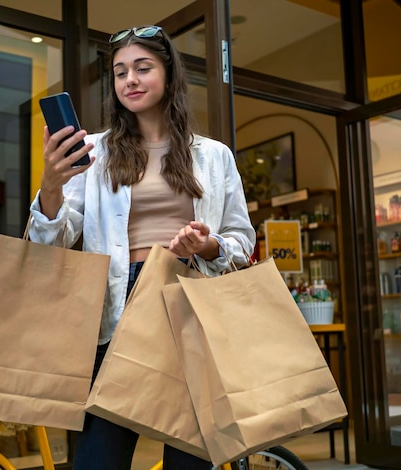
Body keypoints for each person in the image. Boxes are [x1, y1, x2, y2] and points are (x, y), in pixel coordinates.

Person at [29, 25, 255, 470]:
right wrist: (51, 187)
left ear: (169, 75)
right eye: (119, 72)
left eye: (142, 68)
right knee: (99, 459)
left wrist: (208, 245)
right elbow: (49, 242)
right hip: (119, 305)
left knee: (190, 462)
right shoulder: (94, 152)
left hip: (188, 304)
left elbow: (242, 241)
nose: (129, 79)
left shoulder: (213, 156)